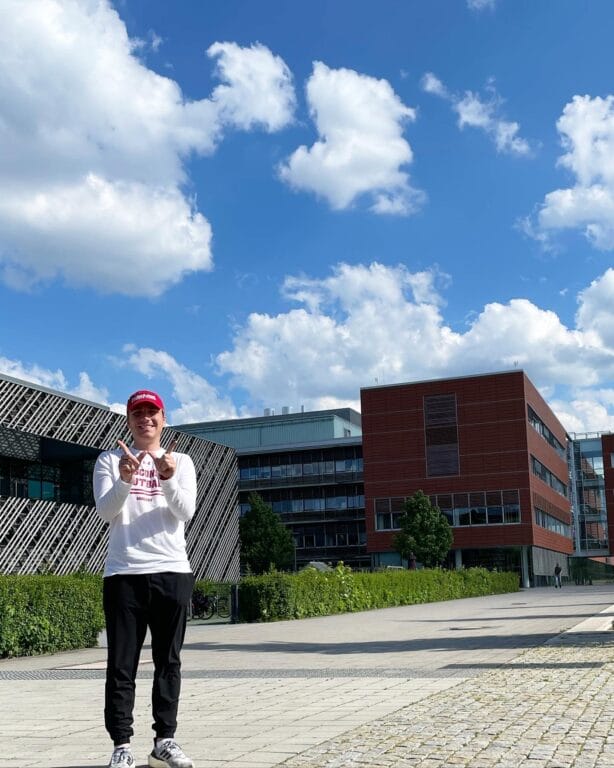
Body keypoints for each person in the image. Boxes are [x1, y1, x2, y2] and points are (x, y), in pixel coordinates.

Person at [93, 389, 197, 768]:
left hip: (172, 571)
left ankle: (164, 741)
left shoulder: (180, 461)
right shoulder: (108, 460)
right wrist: (124, 479)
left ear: (163, 419)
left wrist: (167, 478)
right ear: (129, 420)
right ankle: (122, 745)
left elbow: (186, 511)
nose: (145, 419)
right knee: (122, 665)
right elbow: (106, 512)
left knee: (168, 662)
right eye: (138, 413)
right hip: (124, 574)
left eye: (152, 413)